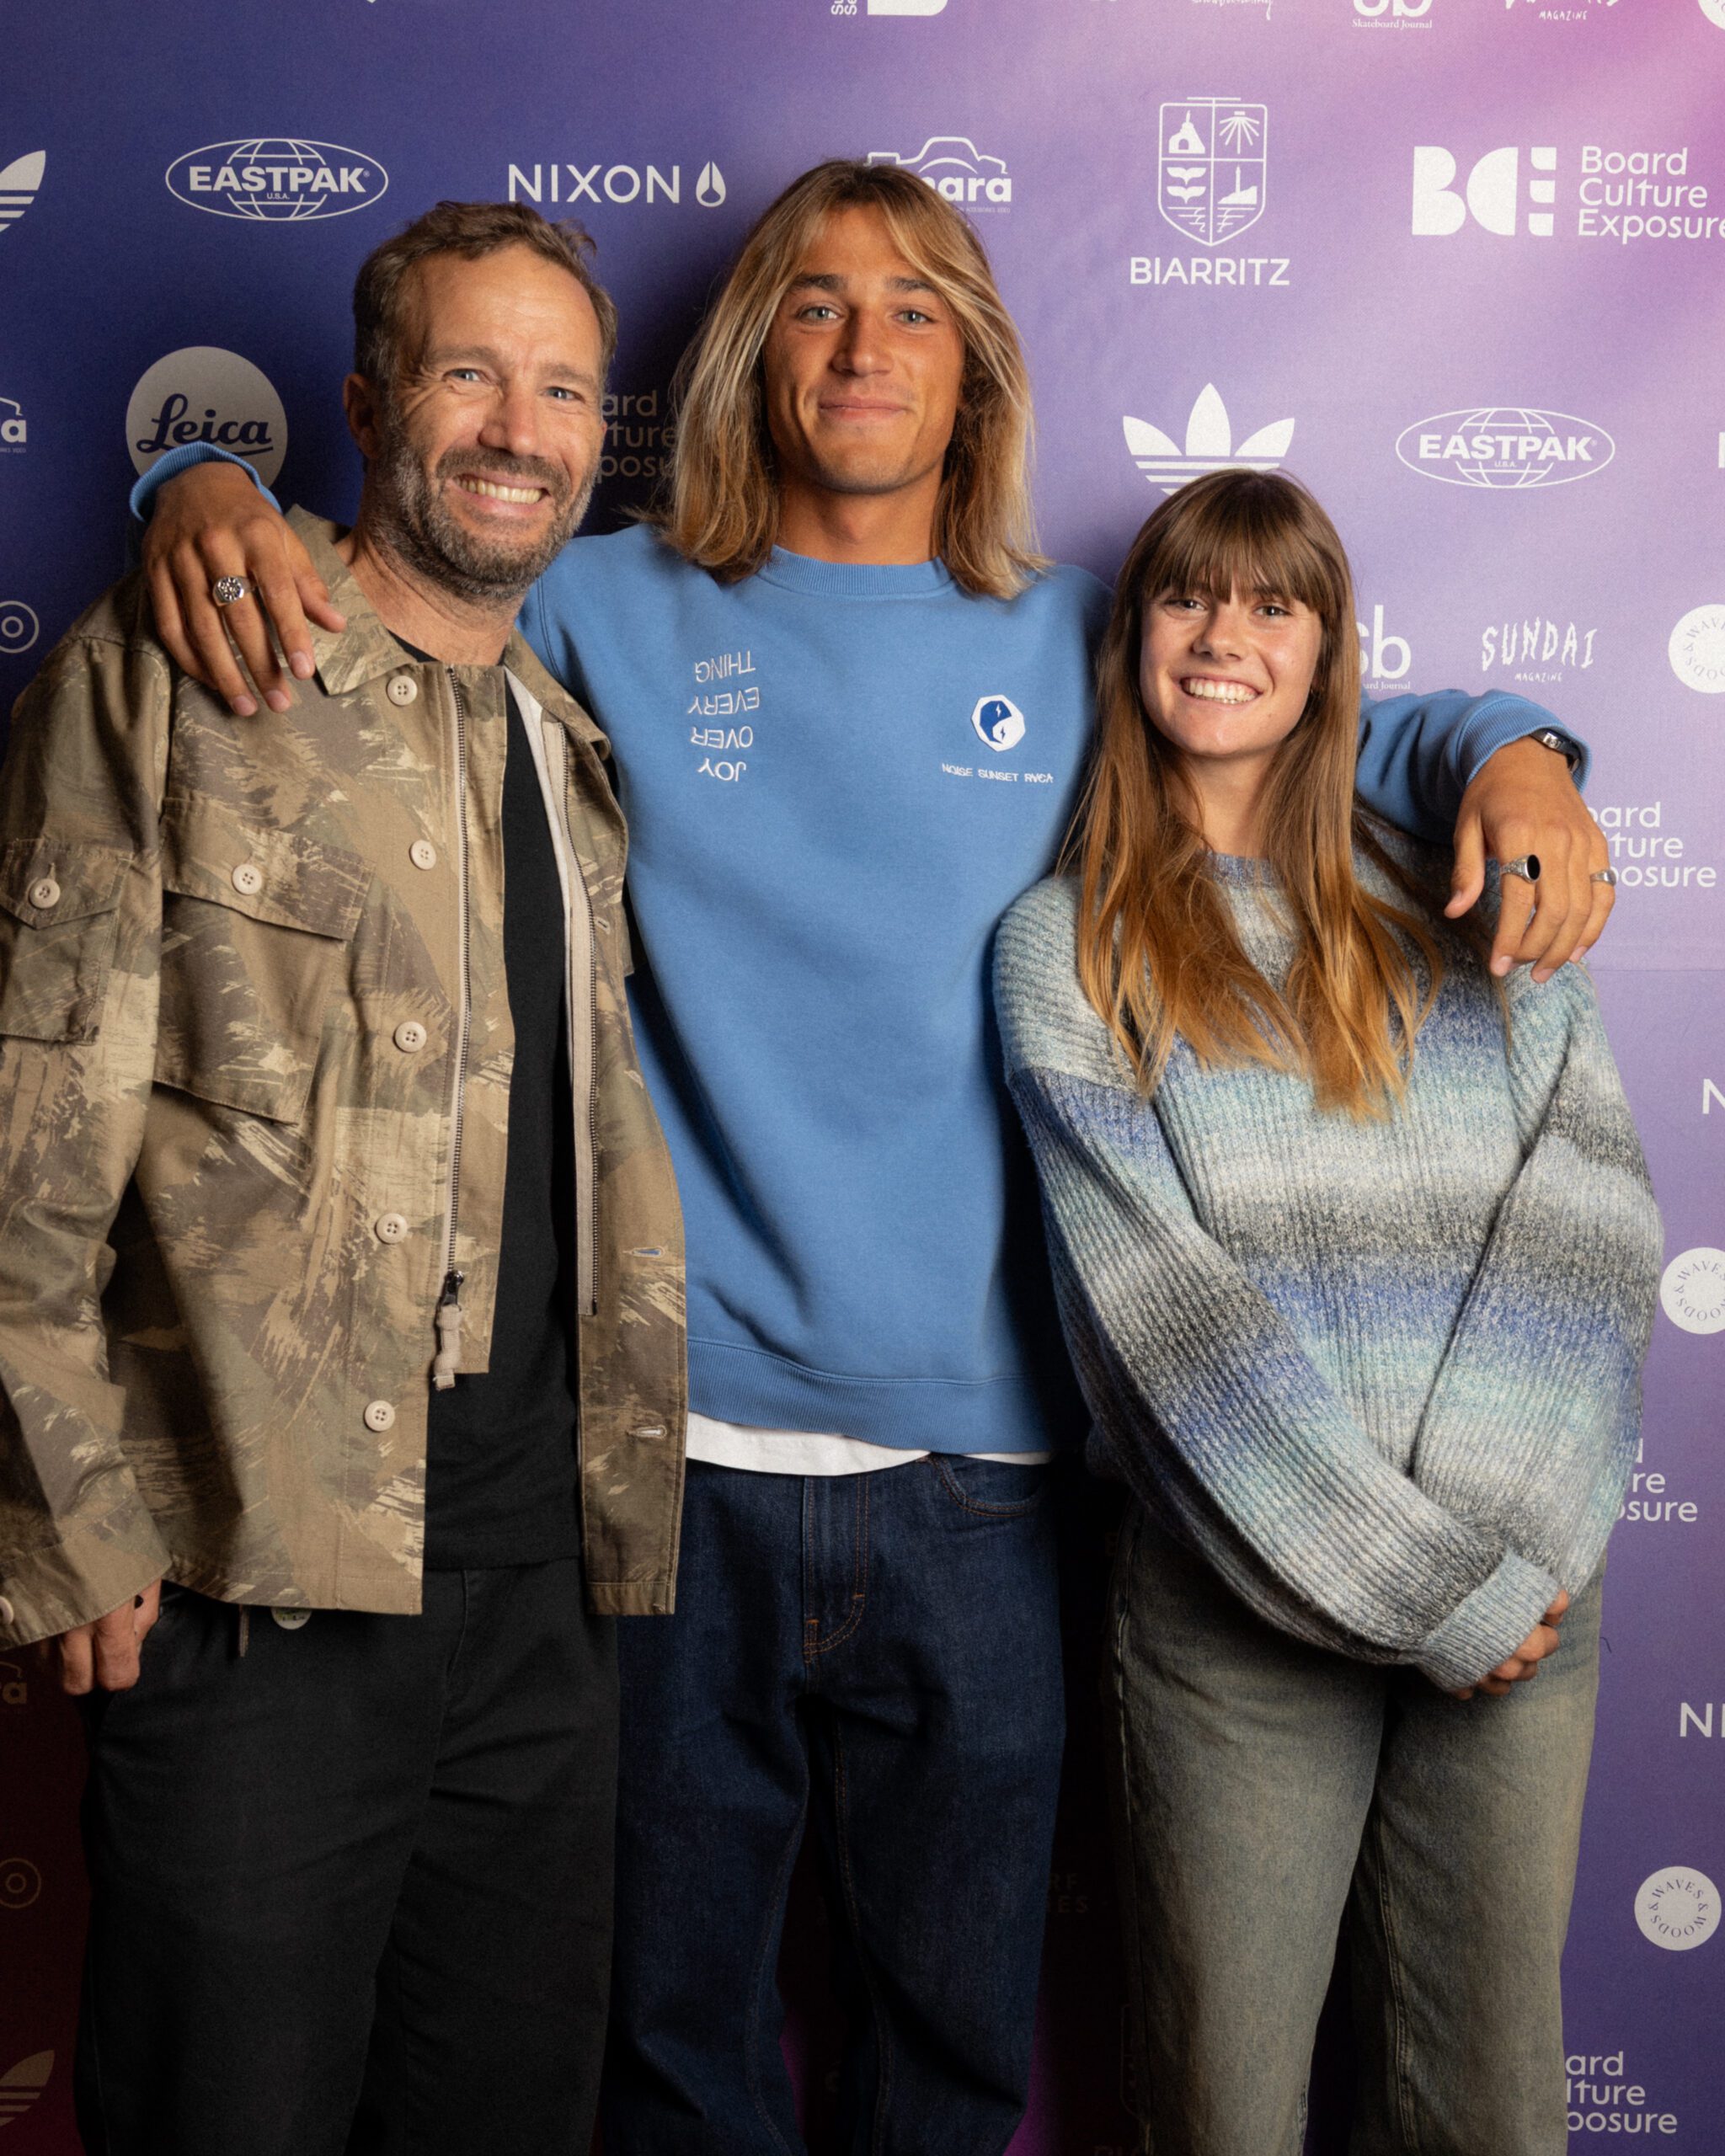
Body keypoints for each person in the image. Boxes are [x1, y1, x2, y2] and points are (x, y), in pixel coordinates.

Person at [129, 161, 1612, 2156]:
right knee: (672, 2046)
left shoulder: (1081, 635)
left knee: (950, 2044)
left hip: (982, 1484)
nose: (862, 344)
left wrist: (1514, 745)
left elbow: (1319, 716)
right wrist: (188, 489)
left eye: (915, 305)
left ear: (974, 367)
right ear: (753, 350)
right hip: (672, 1462)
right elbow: (380, 578)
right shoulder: (602, 598)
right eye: (818, 302)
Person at [0, 200, 685, 2156]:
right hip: (252, 1581)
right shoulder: (178, 661)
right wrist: (66, 1510)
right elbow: (28, 1112)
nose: (520, 429)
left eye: (563, 390)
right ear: (372, 403)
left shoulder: (569, 746)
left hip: (542, 1598)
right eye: (471, 373)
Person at [994, 468, 1661, 2156]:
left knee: (1488, 2105)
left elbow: (1588, 1215)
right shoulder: (1064, 947)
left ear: (1328, 650)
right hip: (1239, 1609)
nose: (1226, 635)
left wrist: (1490, 1566)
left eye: (1273, 604)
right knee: (1221, 2104)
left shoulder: (1462, 891)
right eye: (1186, 597)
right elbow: (1158, 1329)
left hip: (1519, 1583)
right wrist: (1417, 1583)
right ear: (1130, 636)